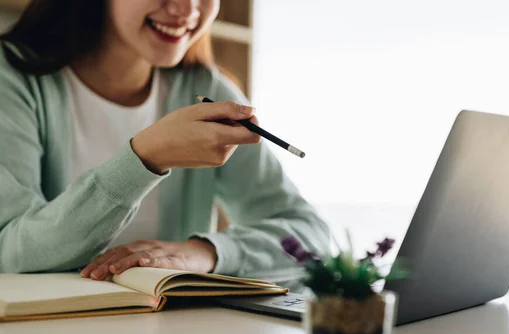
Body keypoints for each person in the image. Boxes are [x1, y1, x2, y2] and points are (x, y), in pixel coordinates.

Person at [0, 0, 330, 280]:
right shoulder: (12, 79)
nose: (186, 9)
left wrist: (207, 252)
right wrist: (145, 158)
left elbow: (312, 238)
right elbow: (11, 253)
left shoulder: (205, 92)